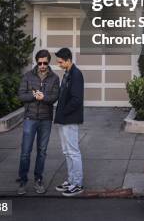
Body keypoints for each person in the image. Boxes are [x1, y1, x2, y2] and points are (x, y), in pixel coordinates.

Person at [16, 49, 60, 195]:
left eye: (45, 63)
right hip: (30, 118)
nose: (42, 65)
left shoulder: (54, 78)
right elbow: (21, 96)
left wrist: (43, 98)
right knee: (25, 152)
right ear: (36, 62)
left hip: (45, 119)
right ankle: (22, 181)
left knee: (42, 152)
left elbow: (54, 97)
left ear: (48, 62)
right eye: (40, 62)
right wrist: (34, 96)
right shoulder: (28, 76)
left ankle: (38, 179)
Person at [54, 47, 84, 196]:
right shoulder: (67, 73)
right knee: (67, 151)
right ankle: (71, 179)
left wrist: (63, 112)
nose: (58, 64)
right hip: (63, 120)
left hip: (70, 120)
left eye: (60, 62)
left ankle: (77, 183)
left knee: (73, 152)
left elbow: (76, 100)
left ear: (68, 60)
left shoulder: (76, 75)